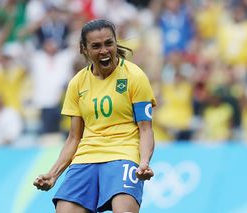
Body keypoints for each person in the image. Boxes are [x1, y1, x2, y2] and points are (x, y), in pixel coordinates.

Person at [33, 19, 157, 213]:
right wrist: (53, 174)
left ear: (116, 43)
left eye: (109, 43)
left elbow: (146, 129)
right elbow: (74, 137)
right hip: (87, 156)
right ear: (84, 49)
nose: (104, 51)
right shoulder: (77, 83)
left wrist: (143, 163)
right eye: (96, 46)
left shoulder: (135, 77)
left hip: (123, 153)